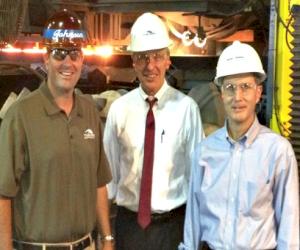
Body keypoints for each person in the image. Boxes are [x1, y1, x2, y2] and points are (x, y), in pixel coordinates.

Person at [0, 9, 114, 250]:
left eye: (74, 54)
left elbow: (99, 182)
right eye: (59, 54)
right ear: (46, 58)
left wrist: (107, 238)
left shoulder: (90, 113)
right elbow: (3, 194)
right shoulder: (20, 116)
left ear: (82, 59)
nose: (67, 63)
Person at [179, 41, 299, 250]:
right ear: (221, 93)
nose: (238, 97)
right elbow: (193, 221)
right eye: (230, 88)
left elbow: (289, 228)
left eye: (246, 87)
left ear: (258, 92)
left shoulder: (277, 151)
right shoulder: (204, 151)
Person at [103, 12, 204, 250]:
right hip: (128, 227)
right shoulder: (119, 110)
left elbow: (196, 181)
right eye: (143, 57)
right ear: (133, 61)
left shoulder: (187, 109)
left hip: (173, 227)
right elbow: (108, 179)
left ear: (168, 59)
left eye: (158, 56)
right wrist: (106, 235)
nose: (151, 66)